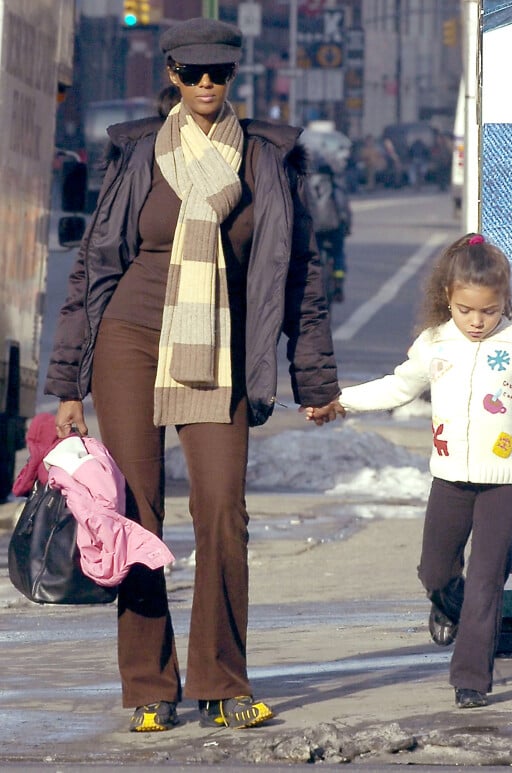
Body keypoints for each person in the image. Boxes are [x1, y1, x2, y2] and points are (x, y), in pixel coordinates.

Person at [44, 17, 341, 733]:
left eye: (221, 73)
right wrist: (66, 383)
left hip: (220, 348)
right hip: (129, 339)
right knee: (137, 509)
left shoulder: (268, 158)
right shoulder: (137, 152)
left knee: (221, 509)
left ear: (235, 76)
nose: (207, 84)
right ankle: (150, 684)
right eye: (193, 72)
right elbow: (93, 266)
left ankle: (223, 680)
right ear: (172, 74)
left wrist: (316, 380)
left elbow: (300, 275)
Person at [307, 233, 512, 709]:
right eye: (466, 310)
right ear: (447, 298)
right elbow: (397, 387)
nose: (477, 321)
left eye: (488, 311)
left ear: (503, 303)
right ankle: (446, 603)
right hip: (450, 479)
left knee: (488, 580)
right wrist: (340, 402)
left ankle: (470, 678)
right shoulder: (434, 344)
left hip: (503, 484)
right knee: (434, 570)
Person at [305, 150, 352, 303]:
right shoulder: (333, 184)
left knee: (314, 257)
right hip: (333, 226)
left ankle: (315, 287)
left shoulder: (306, 184)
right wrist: (346, 225)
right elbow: (342, 206)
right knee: (338, 253)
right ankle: (338, 284)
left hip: (315, 228)